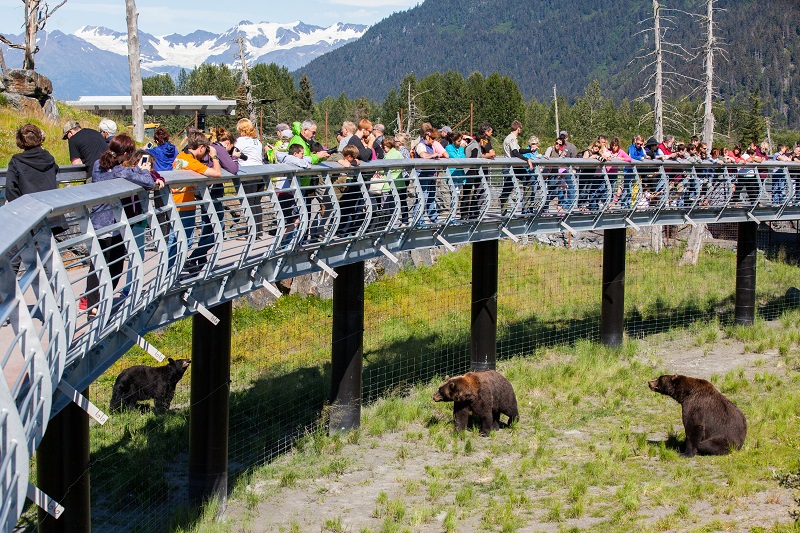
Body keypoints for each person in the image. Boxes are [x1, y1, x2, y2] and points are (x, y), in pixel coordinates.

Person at [86, 134, 159, 316]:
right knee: (114, 266)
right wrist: (142, 170)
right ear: (126, 153)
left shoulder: (98, 165)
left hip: (97, 221)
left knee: (97, 265)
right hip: (112, 224)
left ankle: (93, 305)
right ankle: (101, 303)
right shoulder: (119, 171)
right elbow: (148, 182)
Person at [6, 124, 65, 275]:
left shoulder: (16, 161)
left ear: (20, 141)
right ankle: (52, 295)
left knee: (12, 258)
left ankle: (5, 296)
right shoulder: (49, 158)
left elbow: (10, 190)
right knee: (47, 260)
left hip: (26, 216)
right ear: (40, 138)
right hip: (48, 215)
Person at [173, 132, 223, 275]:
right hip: (185, 206)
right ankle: (170, 275)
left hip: (176, 203)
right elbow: (217, 173)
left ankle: (171, 274)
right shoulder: (192, 163)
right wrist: (214, 156)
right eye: (206, 150)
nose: (206, 153)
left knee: (176, 240)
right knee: (183, 242)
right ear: (201, 147)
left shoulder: (180, 157)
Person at [235, 118, 266, 237]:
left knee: (249, 203)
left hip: (247, 174)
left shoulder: (240, 141)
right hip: (260, 173)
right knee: (256, 202)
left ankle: (251, 231)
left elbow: (235, 154)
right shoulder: (257, 141)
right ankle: (258, 230)